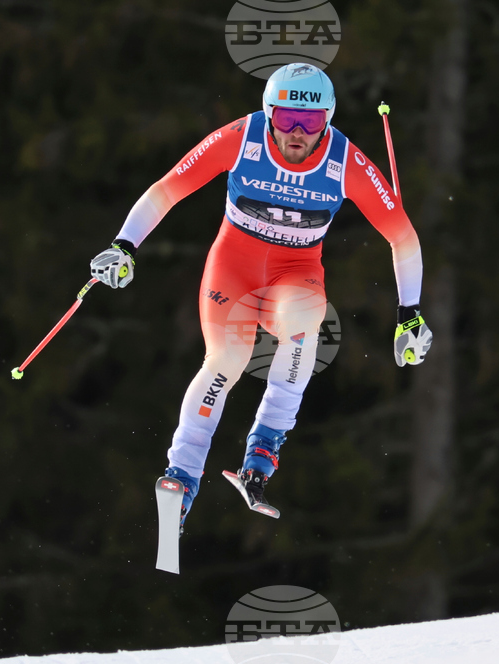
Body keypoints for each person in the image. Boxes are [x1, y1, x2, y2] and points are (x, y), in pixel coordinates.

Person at [90, 63, 432, 529]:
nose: (296, 132)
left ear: (327, 120)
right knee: (227, 360)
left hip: (295, 273)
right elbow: (167, 189)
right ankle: (183, 475)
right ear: (268, 113)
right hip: (233, 268)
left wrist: (409, 314)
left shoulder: (345, 161)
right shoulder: (243, 136)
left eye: (310, 122)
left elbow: (404, 238)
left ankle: (264, 447)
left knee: (305, 322)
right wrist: (123, 245)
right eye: (285, 117)